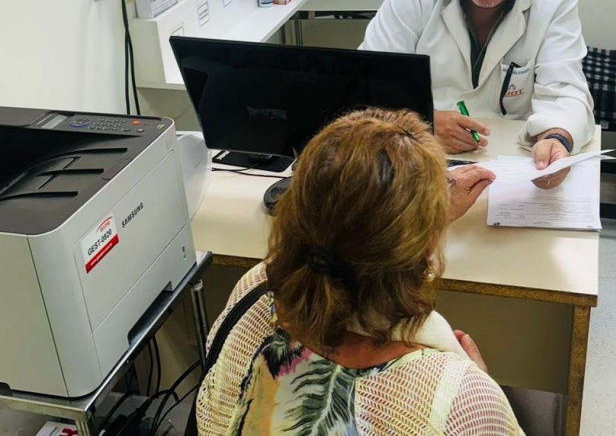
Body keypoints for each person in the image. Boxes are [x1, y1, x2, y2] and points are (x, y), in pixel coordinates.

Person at [194, 108, 523, 435]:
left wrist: (409, 215)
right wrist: (478, 391)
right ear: (427, 246)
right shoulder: (460, 403)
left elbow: (345, 255)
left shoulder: (251, 292)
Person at [361, 0, 594, 189]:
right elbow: (368, 87)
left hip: (514, 168)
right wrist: (423, 121)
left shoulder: (554, 2)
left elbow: (566, 93)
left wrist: (556, 139)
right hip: (419, 159)